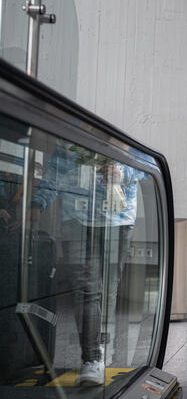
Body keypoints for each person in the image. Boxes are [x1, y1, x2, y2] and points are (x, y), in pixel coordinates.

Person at [31, 146, 145, 386]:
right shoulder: (68, 146)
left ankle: (101, 341)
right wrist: (37, 205)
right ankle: (91, 358)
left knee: (107, 288)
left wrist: (120, 173)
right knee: (86, 289)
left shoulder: (121, 145)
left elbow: (143, 168)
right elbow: (54, 174)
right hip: (76, 219)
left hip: (117, 221)